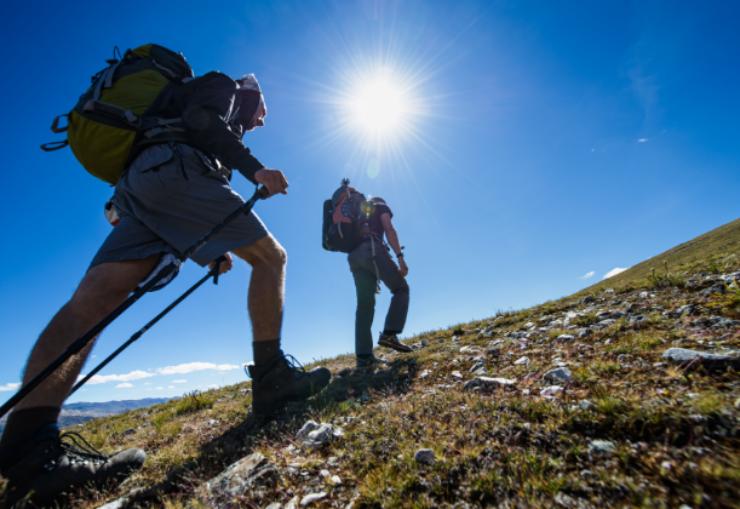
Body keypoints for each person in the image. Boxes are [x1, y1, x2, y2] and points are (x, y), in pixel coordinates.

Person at [0, 71, 330, 505]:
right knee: (272, 258)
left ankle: (27, 449)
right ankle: (272, 380)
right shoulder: (223, 87)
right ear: (250, 94)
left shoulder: (180, 109)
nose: (263, 121)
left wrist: (211, 248)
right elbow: (201, 124)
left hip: (140, 184)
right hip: (176, 168)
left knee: (90, 304)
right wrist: (257, 169)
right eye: (263, 110)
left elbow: (191, 155)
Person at [332, 184, 412, 368]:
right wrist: (400, 258)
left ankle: (364, 357)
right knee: (401, 289)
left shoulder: (354, 209)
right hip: (372, 249)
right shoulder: (379, 203)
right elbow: (389, 229)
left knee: (364, 306)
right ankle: (390, 334)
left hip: (354, 257)